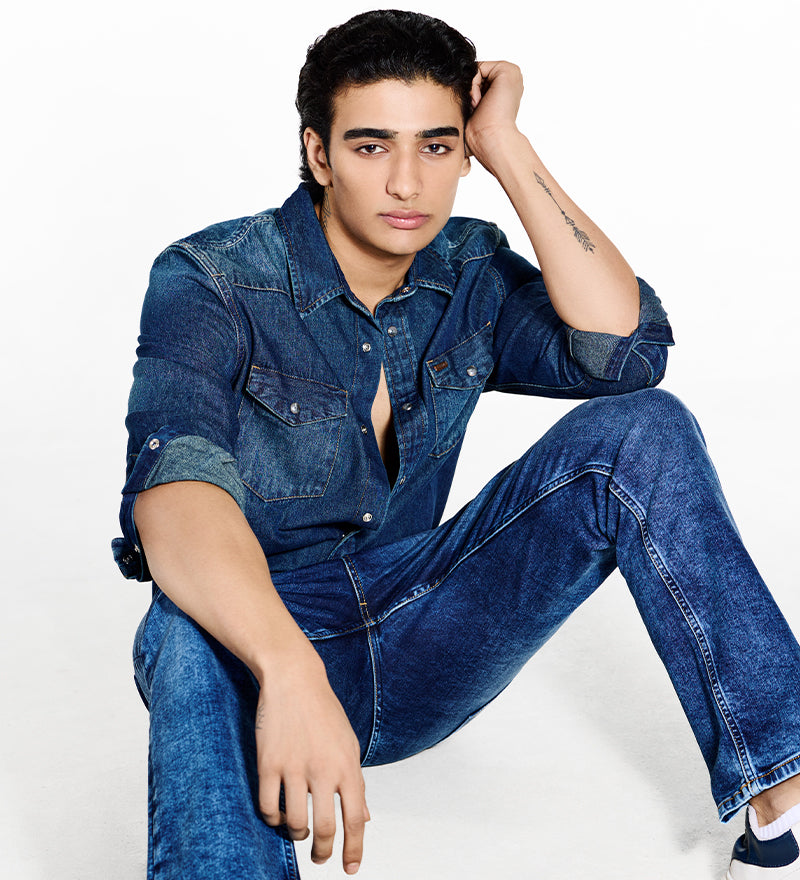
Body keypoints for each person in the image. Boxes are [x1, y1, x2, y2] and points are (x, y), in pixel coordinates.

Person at [112, 9, 800, 879]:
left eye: (436, 147)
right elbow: (173, 491)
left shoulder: (467, 268)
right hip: (253, 648)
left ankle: (784, 803)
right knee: (184, 629)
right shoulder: (211, 278)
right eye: (371, 147)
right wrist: (288, 669)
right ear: (319, 154)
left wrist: (506, 144)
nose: (407, 183)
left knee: (644, 430)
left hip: (421, 622)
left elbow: (624, 354)